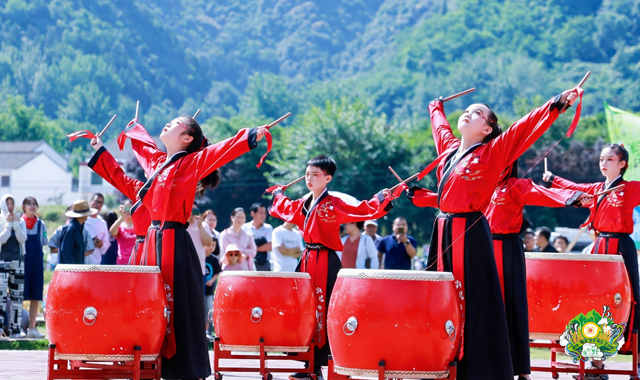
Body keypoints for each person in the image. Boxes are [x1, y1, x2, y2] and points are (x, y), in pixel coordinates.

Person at [406, 87, 580, 380]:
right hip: (443, 228)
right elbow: (440, 128)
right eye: (466, 110)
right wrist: (435, 106)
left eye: (477, 112)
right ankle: (438, 359)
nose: (467, 113)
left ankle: (478, 367)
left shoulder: (493, 151)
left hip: (469, 231)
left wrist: (557, 104)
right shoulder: (449, 151)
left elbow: (523, 129)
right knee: (440, 295)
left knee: (472, 298)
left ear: (487, 128)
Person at [90, 115, 268, 380]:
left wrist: (250, 135)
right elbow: (134, 165)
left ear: (187, 138)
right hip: (152, 240)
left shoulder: (192, 162)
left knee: (173, 304)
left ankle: (182, 368)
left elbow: (219, 152)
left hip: (174, 239)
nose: (167, 124)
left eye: (175, 124)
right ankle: (147, 356)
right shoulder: (158, 166)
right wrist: (103, 150)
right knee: (147, 300)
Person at [268, 155, 394, 380]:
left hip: (325, 261)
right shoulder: (305, 202)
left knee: (325, 311)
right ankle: (308, 365)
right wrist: (278, 194)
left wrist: (382, 197)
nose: (309, 178)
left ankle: (331, 363)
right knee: (304, 310)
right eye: (307, 174)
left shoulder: (334, 203)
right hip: (307, 260)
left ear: (328, 178)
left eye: (315, 175)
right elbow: (285, 209)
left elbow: (363, 210)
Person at [482, 161, 587, 380]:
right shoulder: (486, 185)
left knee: (511, 306)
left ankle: (520, 369)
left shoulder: (517, 185)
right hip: (486, 248)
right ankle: (486, 364)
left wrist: (571, 198)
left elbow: (542, 194)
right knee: (486, 307)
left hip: (508, 249)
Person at [544, 143, 640, 375]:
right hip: (599, 246)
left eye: (609, 160)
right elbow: (574, 187)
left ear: (622, 163)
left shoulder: (631, 188)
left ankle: (637, 359)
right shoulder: (597, 188)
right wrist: (553, 178)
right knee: (596, 303)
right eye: (600, 160)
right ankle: (596, 363)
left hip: (621, 248)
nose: (603, 164)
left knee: (630, 299)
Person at [21, 197, 48, 338]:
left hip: (36, 264)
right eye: (29, 204)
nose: (32, 207)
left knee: (35, 297)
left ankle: (32, 328)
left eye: (34, 204)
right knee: (18, 296)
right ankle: (17, 327)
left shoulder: (41, 225)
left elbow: (44, 242)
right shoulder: (19, 223)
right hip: (22, 263)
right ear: (23, 207)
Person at [0, 194, 26, 337]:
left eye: (12, 203)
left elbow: (23, 238)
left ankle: (16, 329)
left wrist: (15, 224)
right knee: (1, 297)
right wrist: (8, 224)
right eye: (7, 203)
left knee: (17, 297)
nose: (10, 206)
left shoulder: (20, 220)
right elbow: (2, 239)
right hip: (2, 261)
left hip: (18, 261)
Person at [186, 206, 214, 291]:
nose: (192, 213)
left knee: (200, 301)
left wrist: (200, 227)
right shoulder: (181, 224)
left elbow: (209, 243)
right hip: (184, 270)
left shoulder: (203, 225)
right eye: (190, 210)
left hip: (199, 270)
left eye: (194, 210)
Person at [242, 203, 273, 271]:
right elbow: (243, 246)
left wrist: (252, 249)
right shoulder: (244, 227)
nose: (263, 215)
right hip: (247, 263)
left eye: (264, 213)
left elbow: (270, 246)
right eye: (261, 213)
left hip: (264, 264)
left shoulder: (268, 228)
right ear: (253, 214)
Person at [83, 193, 111, 265]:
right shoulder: (81, 219)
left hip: (95, 263)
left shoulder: (102, 223)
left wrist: (101, 244)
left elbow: (106, 245)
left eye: (101, 203)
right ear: (90, 202)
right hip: (79, 263)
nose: (98, 205)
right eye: (96, 201)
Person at [109, 200, 136, 265]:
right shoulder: (120, 226)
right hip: (122, 262)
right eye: (126, 208)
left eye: (131, 208)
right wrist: (122, 216)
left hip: (136, 261)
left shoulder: (139, 226)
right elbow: (112, 232)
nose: (128, 211)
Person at [204, 244, 222, 339]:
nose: (211, 247)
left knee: (208, 309)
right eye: (209, 244)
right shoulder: (200, 257)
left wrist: (211, 281)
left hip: (210, 290)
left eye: (213, 245)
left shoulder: (214, 259)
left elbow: (217, 272)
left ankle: (207, 331)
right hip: (201, 289)